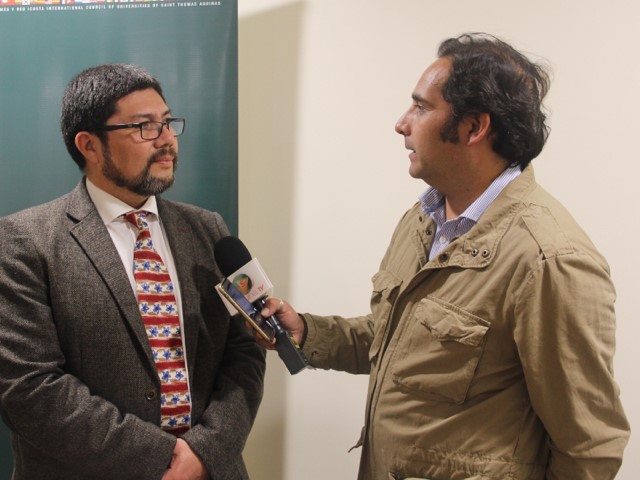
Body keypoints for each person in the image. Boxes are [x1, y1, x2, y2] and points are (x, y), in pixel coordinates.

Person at [257, 33, 630, 479]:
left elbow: (589, 448)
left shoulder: (549, 260)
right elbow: (397, 343)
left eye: (420, 107)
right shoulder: (424, 218)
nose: (401, 124)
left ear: (473, 128)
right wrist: (307, 333)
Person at [0, 64, 265, 480]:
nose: (167, 139)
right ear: (89, 145)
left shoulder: (209, 229)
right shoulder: (23, 241)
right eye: (145, 127)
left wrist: (205, 452)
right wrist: (162, 460)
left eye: (168, 122)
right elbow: (29, 387)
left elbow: (245, 350)